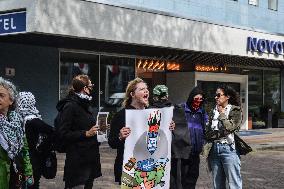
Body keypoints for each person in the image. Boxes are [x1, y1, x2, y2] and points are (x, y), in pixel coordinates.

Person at [108, 78, 175, 184]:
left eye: (147, 89)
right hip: (129, 171)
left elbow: (160, 138)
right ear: (132, 94)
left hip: (150, 169)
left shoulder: (153, 114)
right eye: (142, 89)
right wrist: (120, 137)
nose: (146, 91)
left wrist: (169, 127)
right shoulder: (121, 115)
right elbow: (111, 142)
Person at [56, 74, 101, 189]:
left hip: (89, 159)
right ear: (85, 88)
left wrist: (99, 131)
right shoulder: (70, 106)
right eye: (91, 85)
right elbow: (63, 133)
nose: (92, 88)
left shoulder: (84, 105)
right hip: (78, 161)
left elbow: (86, 127)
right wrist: (86, 133)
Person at [168, 86, 207, 189]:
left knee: (193, 177)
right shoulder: (181, 109)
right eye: (196, 99)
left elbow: (206, 128)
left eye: (200, 99)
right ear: (191, 98)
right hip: (184, 152)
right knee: (183, 179)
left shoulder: (202, 112)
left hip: (196, 152)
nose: (198, 102)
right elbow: (170, 122)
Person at [204, 84, 242, 189]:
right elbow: (208, 132)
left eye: (218, 95)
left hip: (229, 149)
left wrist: (222, 114)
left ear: (227, 97)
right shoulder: (213, 111)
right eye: (215, 95)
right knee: (217, 184)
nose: (216, 97)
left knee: (234, 184)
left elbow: (230, 128)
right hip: (214, 150)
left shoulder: (235, 110)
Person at [0, 77, 33, 189]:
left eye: (1, 95)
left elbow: (24, 149)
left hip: (15, 174)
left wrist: (28, 172)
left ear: (11, 100)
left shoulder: (17, 121)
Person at [17, 91, 54, 189]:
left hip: (19, 157)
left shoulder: (17, 118)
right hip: (32, 159)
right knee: (32, 184)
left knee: (22, 183)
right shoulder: (33, 120)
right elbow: (51, 131)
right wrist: (43, 146)